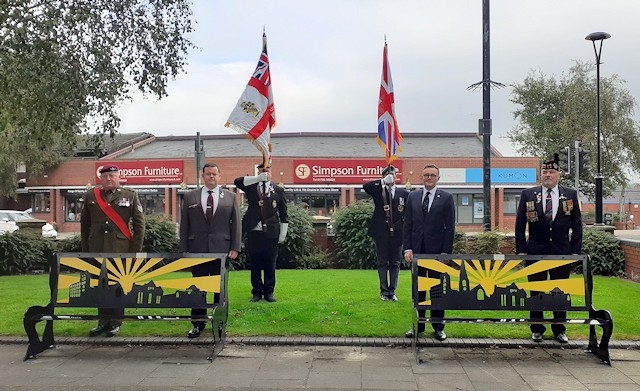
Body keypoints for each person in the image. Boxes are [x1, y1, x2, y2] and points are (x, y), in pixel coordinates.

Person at [515, 154, 582, 344]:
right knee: (536, 291)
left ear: (558, 175)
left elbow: (577, 225)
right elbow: (520, 224)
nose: (547, 175)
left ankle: (559, 329)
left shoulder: (569, 194)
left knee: (559, 291)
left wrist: (575, 251)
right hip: (536, 251)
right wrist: (521, 250)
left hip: (561, 251)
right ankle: (537, 328)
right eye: (544, 172)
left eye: (551, 172)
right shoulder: (529, 194)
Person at [80, 164, 145, 337]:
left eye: (112, 176)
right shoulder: (91, 195)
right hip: (97, 248)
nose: (109, 179)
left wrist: (134, 253)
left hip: (120, 249)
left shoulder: (130, 195)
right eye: (106, 177)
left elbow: (139, 226)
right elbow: (84, 225)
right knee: (99, 284)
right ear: (100, 179)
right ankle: (102, 321)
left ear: (119, 177)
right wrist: (86, 250)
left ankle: (115, 322)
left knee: (117, 285)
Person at [180, 163, 241, 338]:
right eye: (208, 174)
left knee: (218, 288)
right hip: (196, 249)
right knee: (198, 287)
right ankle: (197, 323)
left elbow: (236, 225)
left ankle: (219, 322)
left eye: (214, 174)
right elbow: (185, 225)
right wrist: (184, 249)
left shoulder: (230, 197)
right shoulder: (190, 197)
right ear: (202, 176)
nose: (211, 177)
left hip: (221, 250)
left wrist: (235, 247)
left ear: (220, 176)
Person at [403, 164, 455, 341]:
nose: (429, 178)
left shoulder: (446, 198)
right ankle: (417, 326)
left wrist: (445, 253)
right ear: (422, 177)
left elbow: (450, 228)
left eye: (433, 175)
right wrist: (407, 248)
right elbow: (407, 225)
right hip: (417, 251)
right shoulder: (413, 196)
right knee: (418, 290)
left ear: (438, 178)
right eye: (426, 175)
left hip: (437, 253)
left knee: (436, 290)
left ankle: (438, 327)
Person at [234, 164, 288, 302]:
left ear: (271, 172)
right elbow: (237, 181)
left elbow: (283, 213)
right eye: (261, 171)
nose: (264, 173)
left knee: (270, 263)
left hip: (271, 231)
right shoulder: (251, 186)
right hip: (254, 230)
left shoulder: (278, 190)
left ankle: (269, 292)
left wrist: (283, 233)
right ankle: (257, 292)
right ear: (257, 172)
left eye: (266, 171)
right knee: (255, 263)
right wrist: (256, 178)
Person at [363, 165, 409, 301]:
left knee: (395, 263)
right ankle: (384, 291)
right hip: (381, 232)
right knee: (382, 262)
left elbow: (407, 213)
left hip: (398, 232)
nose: (392, 177)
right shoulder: (378, 191)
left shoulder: (404, 194)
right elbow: (366, 186)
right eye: (389, 174)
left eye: (394, 174)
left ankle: (392, 291)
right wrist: (382, 181)